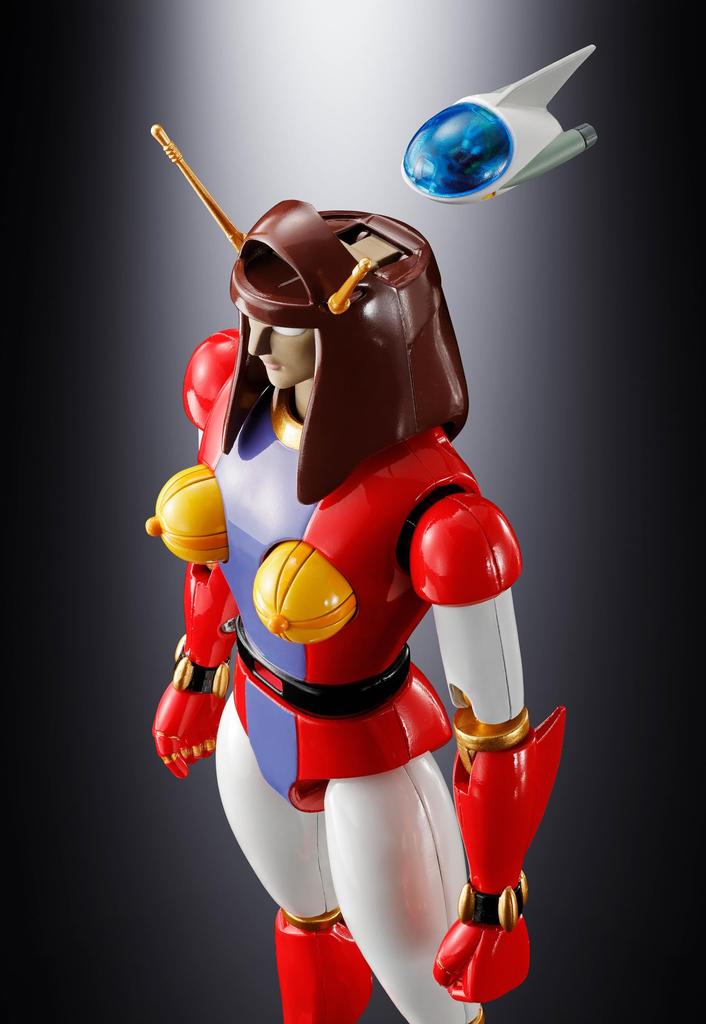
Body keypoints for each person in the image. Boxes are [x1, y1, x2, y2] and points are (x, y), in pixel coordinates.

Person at [146, 198, 565, 1024]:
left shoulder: (440, 513)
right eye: (254, 315)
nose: (259, 345)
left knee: (430, 996)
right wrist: (199, 671)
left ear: (362, 336)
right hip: (251, 718)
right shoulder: (231, 398)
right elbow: (217, 554)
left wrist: (492, 898)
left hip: (371, 761)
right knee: (305, 924)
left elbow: (497, 730)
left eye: (286, 326)